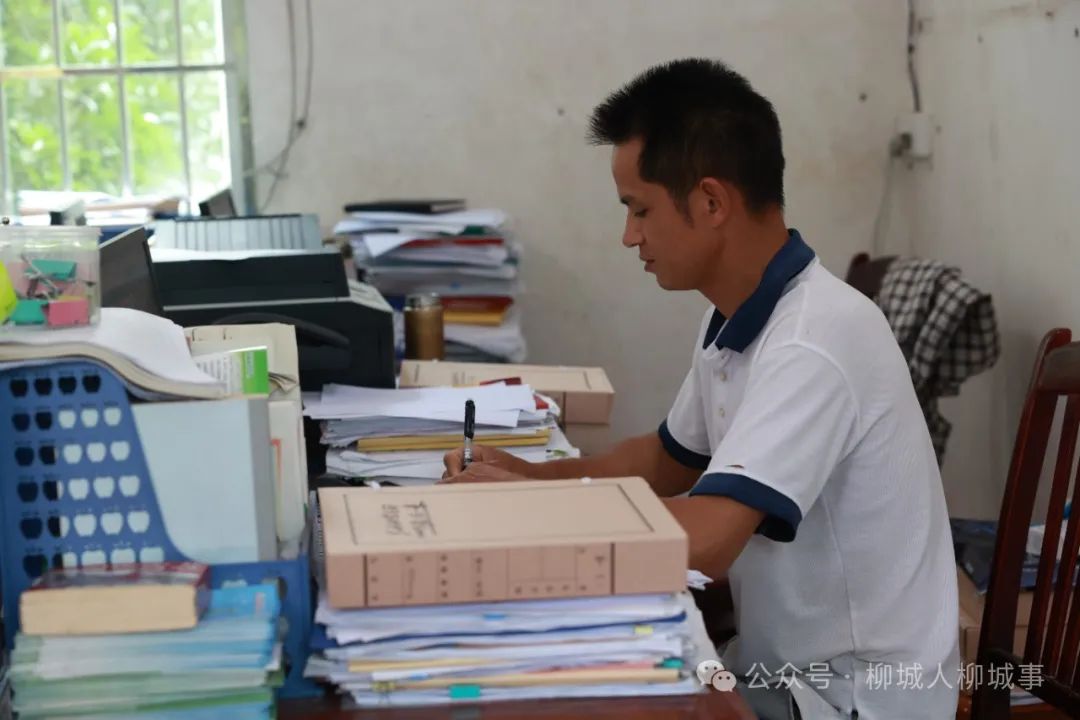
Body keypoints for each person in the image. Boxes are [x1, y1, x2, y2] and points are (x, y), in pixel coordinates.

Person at [441, 58, 958, 719]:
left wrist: (527, 508)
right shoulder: (737, 317)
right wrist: (525, 475)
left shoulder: (813, 341)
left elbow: (709, 540)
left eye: (640, 210)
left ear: (712, 203)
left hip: (852, 699)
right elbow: (666, 460)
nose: (629, 236)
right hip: (781, 670)